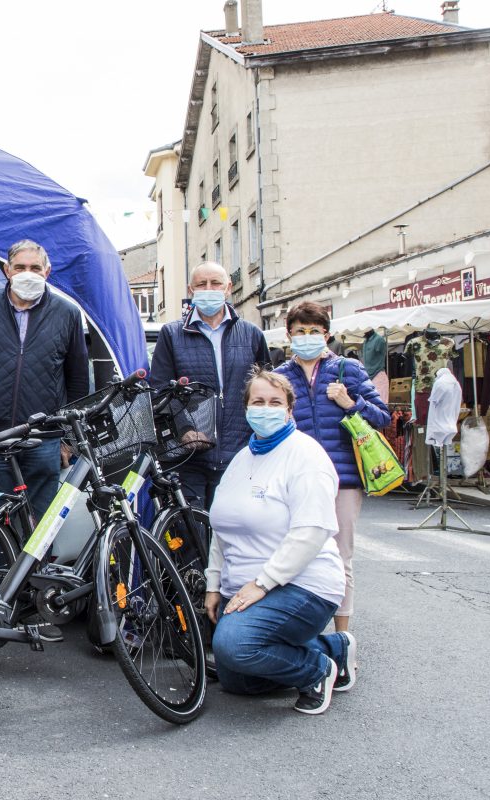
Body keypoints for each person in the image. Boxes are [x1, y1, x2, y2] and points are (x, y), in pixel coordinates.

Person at [206, 369, 356, 715]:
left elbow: (312, 532)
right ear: (246, 409)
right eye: (257, 402)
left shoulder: (306, 456)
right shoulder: (243, 458)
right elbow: (221, 527)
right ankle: (333, 649)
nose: (265, 408)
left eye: (275, 402)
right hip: (248, 585)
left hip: (303, 584)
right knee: (237, 680)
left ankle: (317, 671)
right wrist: (214, 584)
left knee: (234, 645)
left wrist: (263, 583)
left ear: (290, 410)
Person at [0, 239, 88, 518]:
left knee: (41, 527)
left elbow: (78, 383)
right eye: (20, 267)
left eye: (35, 267)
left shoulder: (67, 313)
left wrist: (68, 439)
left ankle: (39, 565)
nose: (28, 273)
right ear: (7, 270)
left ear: (47, 272)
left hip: (44, 440)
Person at [275, 301, 390, 634]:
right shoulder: (280, 376)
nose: (307, 337)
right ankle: (301, 632)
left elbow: (381, 417)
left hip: (343, 479)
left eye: (314, 331)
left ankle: (343, 637)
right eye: (300, 332)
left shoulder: (348, 370)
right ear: (289, 335)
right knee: (294, 554)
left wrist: (350, 403)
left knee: (341, 558)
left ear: (326, 334)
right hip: (296, 478)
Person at [150, 262, 269, 509]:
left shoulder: (251, 334)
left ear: (228, 288)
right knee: (192, 535)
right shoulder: (171, 334)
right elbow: (160, 391)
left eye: (215, 283)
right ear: (191, 289)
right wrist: (184, 429)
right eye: (201, 284)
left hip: (241, 454)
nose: (209, 289)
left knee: (233, 535)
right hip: (189, 456)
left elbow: (267, 389)